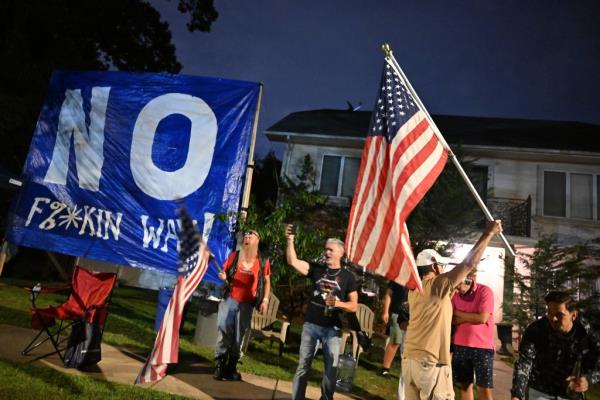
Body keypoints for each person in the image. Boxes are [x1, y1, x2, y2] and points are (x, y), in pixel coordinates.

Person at [401, 220, 502, 400]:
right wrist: (488, 234)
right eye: (442, 266)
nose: (444, 270)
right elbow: (468, 264)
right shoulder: (437, 285)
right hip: (430, 364)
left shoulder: (415, 289)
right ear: (434, 266)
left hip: (410, 361)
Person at [285, 224, 358, 400]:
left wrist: (338, 303)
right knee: (303, 365)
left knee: (330, 369)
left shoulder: (348, 277)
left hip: (332, 329)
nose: (327, 253)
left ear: (340, 253)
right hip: (311, 325)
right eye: (326, 249)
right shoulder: (317, 270)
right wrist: (290, 240)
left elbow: (354, 305)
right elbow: (293, 261)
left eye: (331, 250)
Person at [511, 291, 600, 400]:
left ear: (573, 315)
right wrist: (517, 394)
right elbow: (524, 361)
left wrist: (588, 379)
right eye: (550, 313)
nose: (553, 319)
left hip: (570, 393)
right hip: (539, 391)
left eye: (559, 315)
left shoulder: (587, 333)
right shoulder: (536, 330)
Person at [214, 229, 271, 381]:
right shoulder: (234, 256)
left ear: (257, 240)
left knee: (239, 334)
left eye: (250, 236)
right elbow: (225, 274)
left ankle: (231, 367)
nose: (247, 238)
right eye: (245, 236)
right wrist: (223, 276)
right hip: (230, 299)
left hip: (247, 304)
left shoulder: (263, 260)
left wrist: (265, 300)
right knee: (224, 329)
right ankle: (219, 364)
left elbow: (266, 281)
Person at [451, 270, 495, 400]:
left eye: (459, 285)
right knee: (464, 387)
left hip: (482, 347)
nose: (458, 289)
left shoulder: (485, 291)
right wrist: (471, 317)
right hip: (460, 345)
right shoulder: (455, 294)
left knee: (484, 389)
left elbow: (482, 318)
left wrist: (460, 314)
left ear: (468, 280)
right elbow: (452, 319)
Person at [379, 281, 409, 378]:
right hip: (396, 313)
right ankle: (385, 369)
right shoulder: (399, 277)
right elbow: (388, 294)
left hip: (410, 316)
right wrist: (385, 311)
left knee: (406, 345)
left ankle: (405, 372)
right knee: (395, 341)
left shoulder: (419, 279)